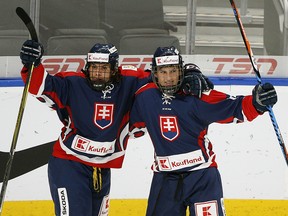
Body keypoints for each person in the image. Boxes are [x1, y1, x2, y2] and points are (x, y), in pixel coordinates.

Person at [19, 40, 213, 216]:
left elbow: (164, 74)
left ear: (114, 69)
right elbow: (40, 86)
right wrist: (32, 64)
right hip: (69, 164)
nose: (97, 73)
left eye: (103, 68)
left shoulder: (129, 80)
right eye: (94, 67)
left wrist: (190, 71)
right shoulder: (73, 82)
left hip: (102, 168)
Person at [129, 46, 278, 216]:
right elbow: (130, 124)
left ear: (181, 71)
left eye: (173, 71)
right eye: (163, 72)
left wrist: (257, 103)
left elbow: (234, 107)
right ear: (154, 73)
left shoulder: (196, 94)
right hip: (165, 178)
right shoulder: (144, 96)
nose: (169, 78)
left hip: (202, 177)